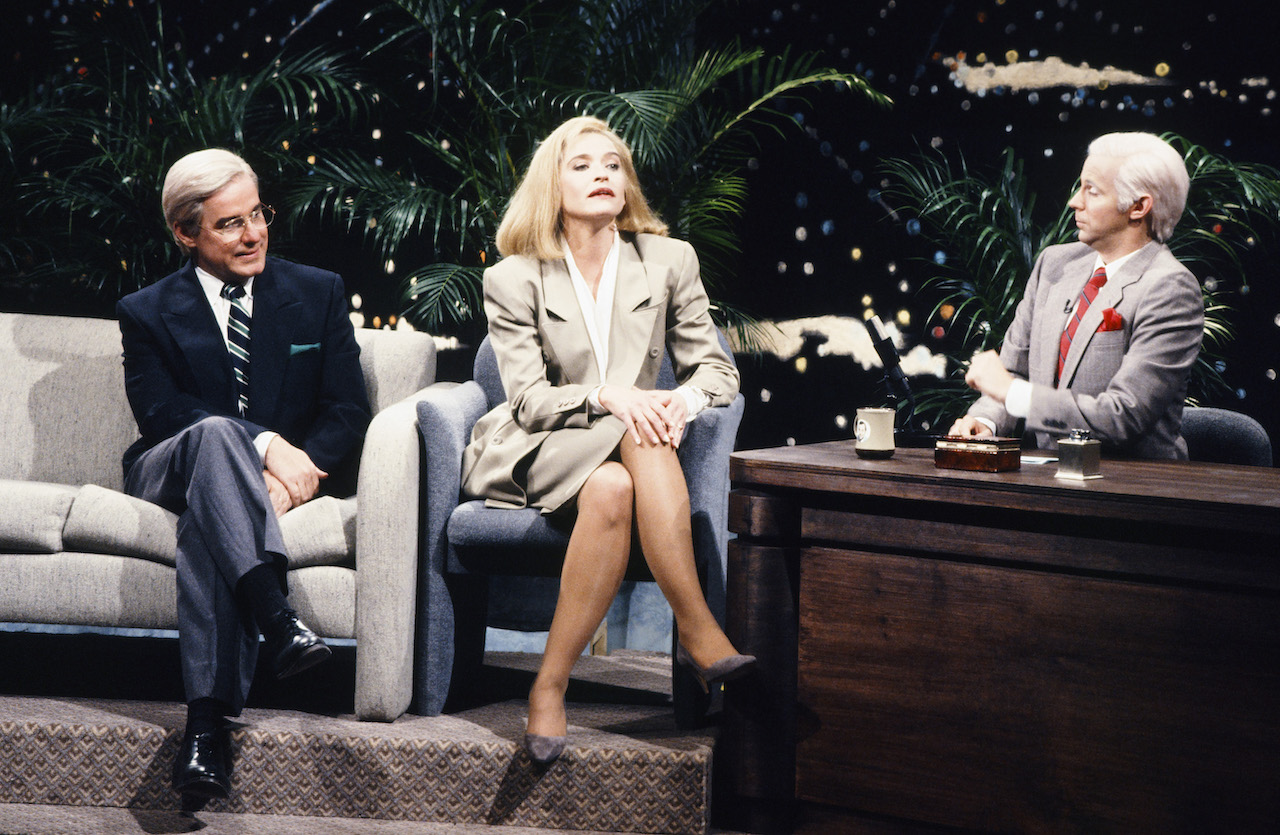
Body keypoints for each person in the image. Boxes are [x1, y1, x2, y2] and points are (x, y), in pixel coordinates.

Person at [461, 116, 755, 765]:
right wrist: (606, 395)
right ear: (551, 185)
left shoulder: (670, 260)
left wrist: (680, 401)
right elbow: (529, 402)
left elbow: (719, 370)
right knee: (636, 423)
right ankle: (700, 629)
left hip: (625, 452)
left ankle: (549, 685)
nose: (602, 174)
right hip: (536, 444)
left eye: (613, 164)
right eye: (582, 164)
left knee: (621, 475)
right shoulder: (513, 278)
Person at [117, 149, 371, 805]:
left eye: (258, 214)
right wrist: (263, 446)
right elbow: (162, 411)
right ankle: (276, 614)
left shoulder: (316, 291)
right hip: (168, 464)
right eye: (230, 224)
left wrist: (296, 477)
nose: (254, 233)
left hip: (243, 491)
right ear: (185, 233)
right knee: (213, 433)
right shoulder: (146, 310)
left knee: (213, 522)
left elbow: (348, 409)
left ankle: (205, 729)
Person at [948, 131, 1204, 459]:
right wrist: (986, 420)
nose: (1074, 202)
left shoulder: (1170, 288)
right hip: (1047, 480)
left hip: (1128, 491)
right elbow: (1015, 369)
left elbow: (1122, 415)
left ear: (1138, 207)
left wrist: (1013, 393)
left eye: (1091, 191)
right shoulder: (1054, 265)